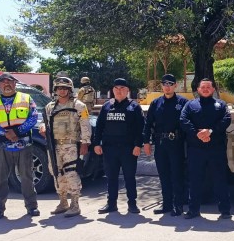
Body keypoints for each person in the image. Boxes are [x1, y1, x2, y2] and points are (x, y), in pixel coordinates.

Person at [0, 72, 40, 219]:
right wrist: (5, 133)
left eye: (9, 82)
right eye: (3, 82)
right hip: (2, 146)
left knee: (27, 176)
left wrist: (17, 131)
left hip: (23, 145)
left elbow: (33, 117)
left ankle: (32, 206)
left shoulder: (26, 98)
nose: (6, 84)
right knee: (0, 178)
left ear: (15, 84)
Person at [180, 78, 231, 220]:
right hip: (196, 149)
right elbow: (183, 120)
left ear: (213, 89)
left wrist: (210, 131)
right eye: (203, 87)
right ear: (198, 89)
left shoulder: (220, 104)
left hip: (216, 148)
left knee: (220, 179)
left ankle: (225, 210)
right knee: (195, 180)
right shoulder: (190, 105)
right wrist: (198, 133)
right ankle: (193, 210)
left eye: (208, 87)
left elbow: (226, 120)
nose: (206, 89)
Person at [39, 76, 91, 217]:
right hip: (54, 146)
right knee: (56, 173)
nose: (62, 91)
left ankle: (75, 204)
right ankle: (63, 202)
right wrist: (43, 127)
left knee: (71, 173)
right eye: (59, 88)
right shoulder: (50, 107)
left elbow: (85, 125)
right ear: (55, 90)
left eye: (65, 88)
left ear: (69, 90)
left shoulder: (78, 105)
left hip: (71, 145)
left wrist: (85, 142)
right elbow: (46, 123)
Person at [93, 78, 144, 214]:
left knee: (129, 177)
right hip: (109, 149)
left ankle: (132, 204)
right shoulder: (106, 106)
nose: (119, 91)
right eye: (116, 88)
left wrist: (138, 145)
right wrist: (97, 143)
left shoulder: (134, 107)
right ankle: (111, 204)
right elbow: (99, 127)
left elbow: (140, 129)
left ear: (127, 90)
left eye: (122, 88)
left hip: (128, 149)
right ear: (113, 90)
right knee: (111, 177)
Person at [143, 73, 189, 216]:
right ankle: (166, 204)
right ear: (162, 86)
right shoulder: (156, 103)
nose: (167, 87)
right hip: (160, 144)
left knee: (177, 175)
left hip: (177, 144)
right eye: (164, 84)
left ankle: (178, 205)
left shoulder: (183, 102)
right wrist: (146, 142)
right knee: (163, 175)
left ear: (175, 86)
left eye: (170, 84)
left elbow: (187, 123)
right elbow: (148, 123)